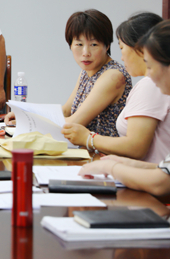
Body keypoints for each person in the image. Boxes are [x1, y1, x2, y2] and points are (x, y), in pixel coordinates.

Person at [62, 12, 170, 162]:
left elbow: (136, 147)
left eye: (122, 48)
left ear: (141, 49)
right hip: (121, 163)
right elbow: (66, 110)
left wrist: (88, 138)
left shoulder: (147, 84)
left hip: (114, 161)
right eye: (79, 44)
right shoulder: (148, 84)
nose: (122, 57)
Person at [79, 19, 170, 196]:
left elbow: (161, 183)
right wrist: (124, 164)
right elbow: (163, 169)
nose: (150, 75)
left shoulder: (147, 85)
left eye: (151, 66)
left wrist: (110, 167)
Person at [6, 9, 131, 136]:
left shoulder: (113, 75)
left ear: (107, 45)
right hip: (83, 145)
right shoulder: (87, 71)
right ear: (70, 45)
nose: (86, 53)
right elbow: (66, 111)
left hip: (103, 147)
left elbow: (75, 122)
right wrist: (25, 114)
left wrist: (28, 121)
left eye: (94, 44)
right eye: (79, 44)